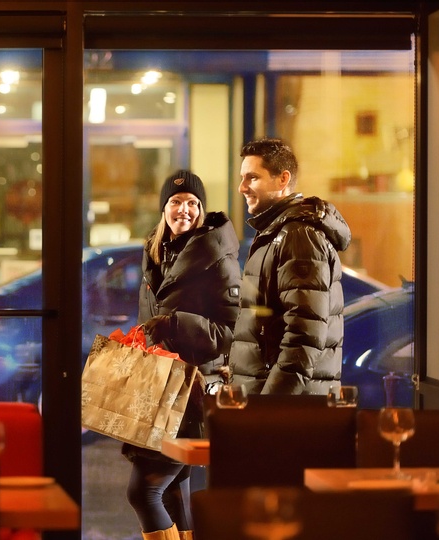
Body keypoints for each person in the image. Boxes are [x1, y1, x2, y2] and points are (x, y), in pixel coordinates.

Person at [124, 170, 241, 540]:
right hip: (158, 389)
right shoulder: (156, 253)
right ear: (164, 209)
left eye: (193, 203)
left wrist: (175, 325)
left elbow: (229, 332)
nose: (185, 209)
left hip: (192, 393)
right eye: (176, 202)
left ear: (202, 210)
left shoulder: (216, 256)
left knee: (143, 491)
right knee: (174, 495)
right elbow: (150, 319)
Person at [228, 137, 351, 394]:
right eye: (242, 178)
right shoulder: (277, 233)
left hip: (284, 412)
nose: (242, 188)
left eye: (252, 177)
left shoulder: (297, 236)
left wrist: (270, 408)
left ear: (282, 179)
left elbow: (303, 337)